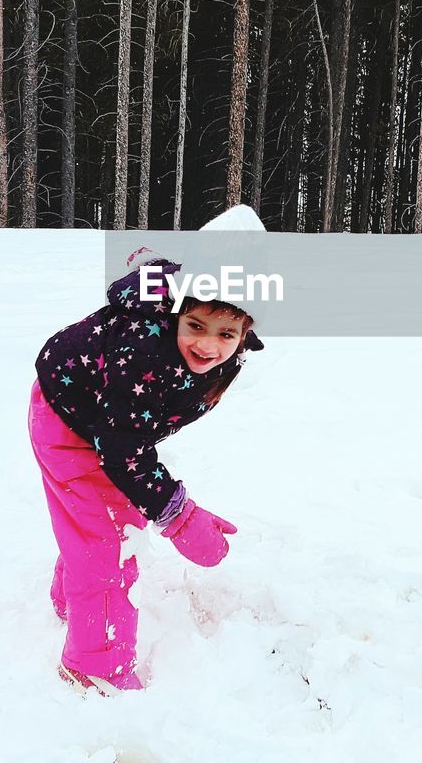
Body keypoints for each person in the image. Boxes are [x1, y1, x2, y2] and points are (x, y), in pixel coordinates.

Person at [27, 246, 263, 695]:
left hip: (96, 421)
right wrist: (179, 515)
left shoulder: (216, 343)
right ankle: (96, 670)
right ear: (176, 312)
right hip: (71, 425)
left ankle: (71, 602)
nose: (208, 345)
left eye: (227, 333)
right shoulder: (142, 350)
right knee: (112, 546)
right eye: (195, 326)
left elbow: (126, 442)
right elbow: (123, 450)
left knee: (103, 524)